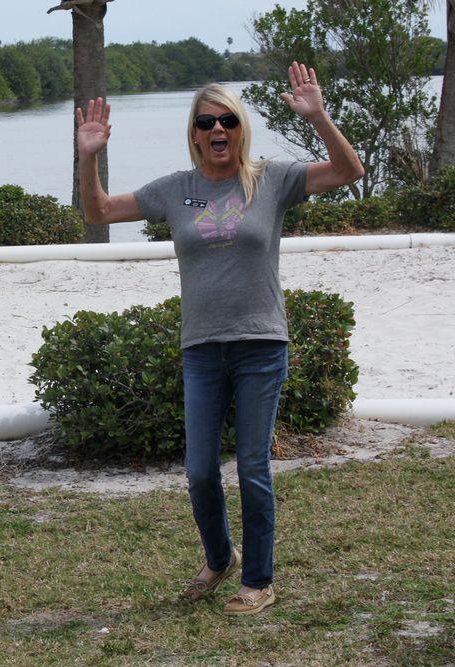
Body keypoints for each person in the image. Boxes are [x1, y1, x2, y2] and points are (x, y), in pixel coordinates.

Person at [76, 62, 363, 615]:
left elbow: (349, 172)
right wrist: (89, 155)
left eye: (227, 121)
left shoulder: (271, 180)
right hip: (202, 348)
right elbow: (100, 211)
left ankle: (257, 581)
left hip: (260, 343)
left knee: (252, 467)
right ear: (194, 133)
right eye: (206, 122)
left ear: (240, 128)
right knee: (201, 469)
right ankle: (219, 556)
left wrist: (319, 114)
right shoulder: (175, 191)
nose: (217, 131)